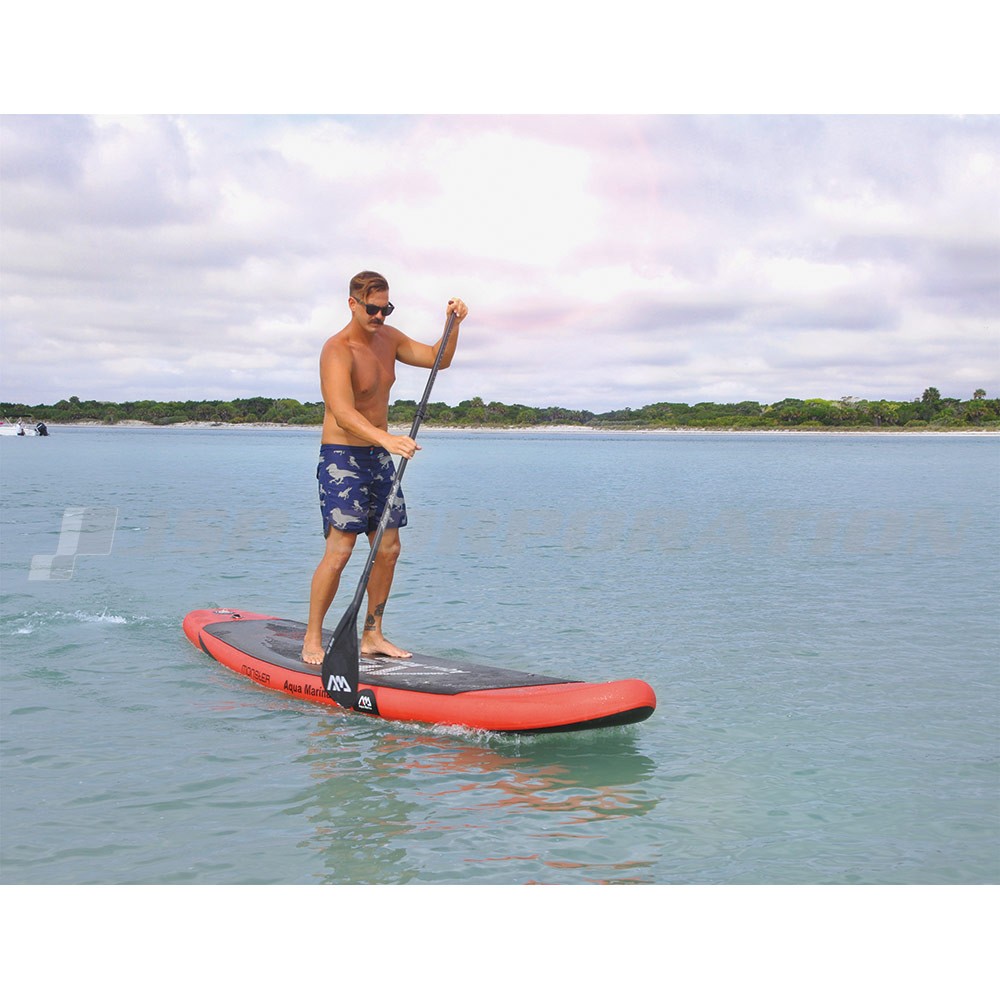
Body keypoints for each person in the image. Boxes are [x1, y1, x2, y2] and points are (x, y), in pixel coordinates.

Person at [301, 271, 468, 665]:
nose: (379, 316)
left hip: (378, 455)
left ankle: (372, 634)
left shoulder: (389, 339)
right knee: (340, 550)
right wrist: (388, 439)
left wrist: (453, 323)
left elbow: (438, 359)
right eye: (372, 309)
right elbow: (342, 413)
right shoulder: (336, 350)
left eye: (386, 309)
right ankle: (312, 637)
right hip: (342, 456)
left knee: (389, 548)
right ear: (352, 304)